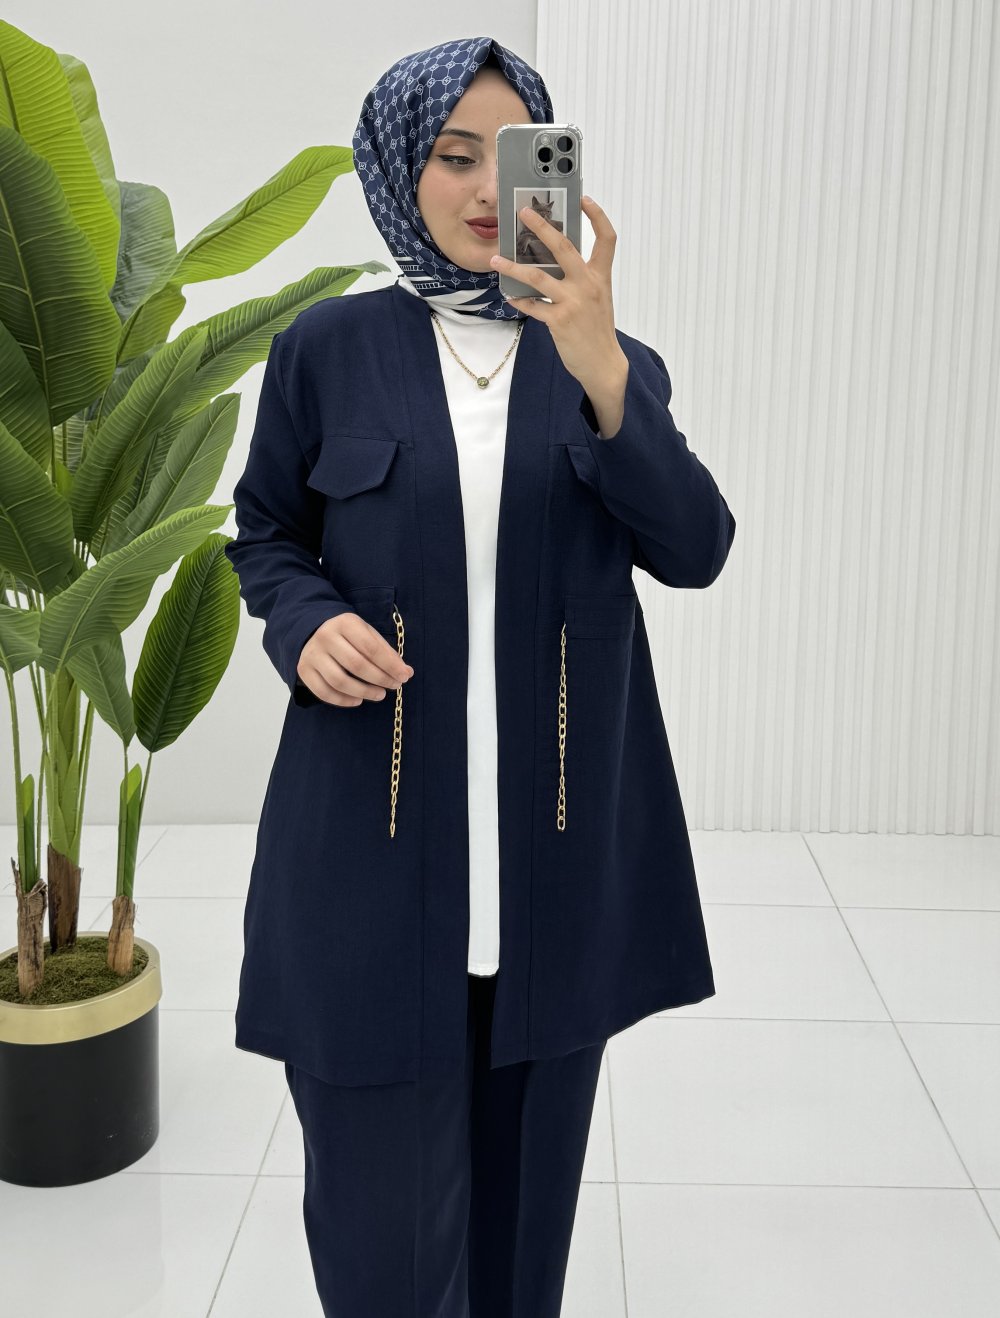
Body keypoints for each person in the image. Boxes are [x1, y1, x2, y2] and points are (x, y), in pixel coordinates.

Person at [224, 34, 736, 1318]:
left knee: (520, 1263)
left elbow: (695, 549)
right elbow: (267, 533)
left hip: (554, 881)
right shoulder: (328, 349)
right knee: (384, 1259)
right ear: (400, 167)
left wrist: (601, 363)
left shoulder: (611, 362)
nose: (482, 190)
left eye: (511, 158)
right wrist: (305, 623)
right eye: (453, 156)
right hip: (367, 863)